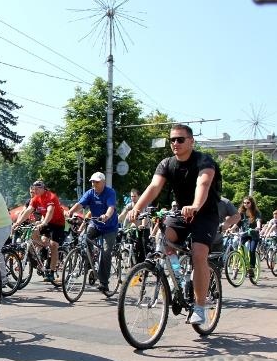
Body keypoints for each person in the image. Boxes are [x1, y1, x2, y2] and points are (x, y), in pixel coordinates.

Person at [127, 124, 220, 325]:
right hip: (181, 213)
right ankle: (176, 276)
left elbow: (203, 184)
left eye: (180, 139)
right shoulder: (167, 164)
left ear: (191, 141)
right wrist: (137, 208)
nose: (175, 143)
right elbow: (154, 187)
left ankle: (200, 306)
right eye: (172, 140)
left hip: (205, 213)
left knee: (198, 254)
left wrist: (195, 206)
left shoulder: (204, 161)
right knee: (164, 241)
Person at [66, 171, 118, 295]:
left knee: (105, 252)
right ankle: (89, 263)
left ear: (103, 182)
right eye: (93, 182)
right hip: (95, 224)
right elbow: (80, 204)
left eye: (97, 182)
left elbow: (111, 207)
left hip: (110, 227)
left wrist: (106, 216)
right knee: (83, 239)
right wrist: (70, 212)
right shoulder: (90, 193)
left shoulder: (110, 192)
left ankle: (104, 283)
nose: (94, 184)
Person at [12, 180, 66, 282]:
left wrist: (43, 222)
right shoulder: (35, 198)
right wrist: (17, 223)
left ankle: (52, 271)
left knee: (54, 245)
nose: (35, 191)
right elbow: (28, 211)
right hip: (46, 222)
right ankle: (44, 251)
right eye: (34, 189)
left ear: (43, 189)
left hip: (57, 223)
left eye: (37, 189)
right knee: (35, 235)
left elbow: (50, 211)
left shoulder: (51, 197)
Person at [232, 195, 262, 277]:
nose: (246, 204)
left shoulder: (256, 212)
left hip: (253, 234)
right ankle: (240, 264)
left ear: (251, 203)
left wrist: (258, 227)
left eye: (248, 203)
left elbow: (258, 220)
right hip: (245, 234)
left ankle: (251, 268)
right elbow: (238, 223)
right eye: (244, 203)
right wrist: (231, 229)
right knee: (240, 247)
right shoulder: (241, 212)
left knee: (251, 250)